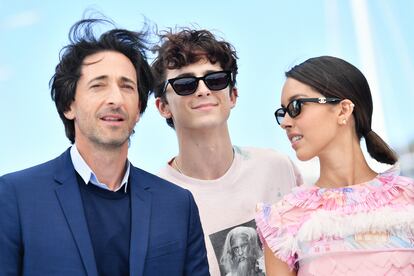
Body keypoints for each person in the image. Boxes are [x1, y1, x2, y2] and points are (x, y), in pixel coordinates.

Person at [0, 18, 209, 276]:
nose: (115, 99)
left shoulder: (178, 205)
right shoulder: (15, 197)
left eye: (127, 87)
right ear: (69, 105)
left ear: (139, 110)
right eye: (98, 85)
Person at [152, 28, 303, 275]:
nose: (202, 90)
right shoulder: (155, 199)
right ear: (163, 107)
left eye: (215, 80)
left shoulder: (277, 167)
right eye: (185, 84)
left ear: (232, 95)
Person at [255, 56, 414, 275]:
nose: (285, 122)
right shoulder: (282, 219)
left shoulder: (409, 199)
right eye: (283, 112)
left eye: (296, 106)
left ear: (343, 110)